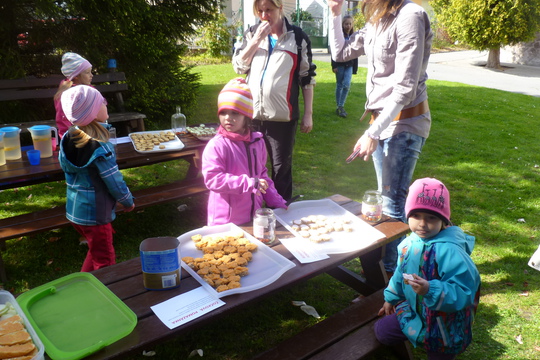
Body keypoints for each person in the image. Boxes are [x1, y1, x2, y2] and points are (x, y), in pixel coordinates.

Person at [328, 0, 433, 275]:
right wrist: (335, 15)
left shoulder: (410, 16)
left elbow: (405, 89)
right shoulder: (377, 18)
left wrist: (371, 133)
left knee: (392, 204)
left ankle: (388, 283)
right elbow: (340, 53)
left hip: (406, 122)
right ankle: (387, 278)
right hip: (380, 121)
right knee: (385, 199)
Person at [375, 177, 481, 360]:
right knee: (381, 332)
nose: (422, 224)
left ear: (444, 221)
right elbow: (401, 273)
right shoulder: (409, 243)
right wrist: (391, 298)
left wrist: (430, 289)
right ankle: (417, 332)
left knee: (440, 353)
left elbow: (465, 291)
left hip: (444, 324)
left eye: (431, 218)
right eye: (416, 216)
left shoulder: (450, 251)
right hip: (415, 311)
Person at [232, 0, 316, 202]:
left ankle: (281, 212)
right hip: (251, 116)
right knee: (250, 165)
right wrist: (255, 41)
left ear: (280, 8)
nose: (264, 15)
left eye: (268, 9)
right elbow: (239, 67)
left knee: (281, 169)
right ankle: (252, 208)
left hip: (282, 118)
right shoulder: (251, 33)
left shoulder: (297, 38)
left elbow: (307, 78)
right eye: (259, 10)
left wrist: (308, 114)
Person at [59, 85, 134, 272]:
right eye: (103, 102)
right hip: (96, 216)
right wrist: (128, 202)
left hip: (75, 211)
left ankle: (82, 284)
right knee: (105, 262)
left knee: (95, 251)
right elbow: (114, 181)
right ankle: (107, 295)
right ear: (91, 112)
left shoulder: (68, 137)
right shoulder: (101, 146)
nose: (106, 104)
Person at [202, 77, 287, 226]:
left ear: (246, 116)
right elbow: (213, 179)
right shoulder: (217, 145)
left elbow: (262, 175)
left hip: (253, 216)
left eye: (235, 113)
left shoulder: (257, 142)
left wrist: (276, 200)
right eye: (223, 113)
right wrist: (248, 183)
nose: (228, 118)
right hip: (225, 221)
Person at [54, 52, 94, 138]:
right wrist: (70, 138)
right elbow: (63, 119)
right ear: (76, 76)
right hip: (75, 137)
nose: (91, 75)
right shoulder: (67, 94)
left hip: (91, 133)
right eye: (87, 72)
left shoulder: (88, 89)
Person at [331, 15, 358, 118]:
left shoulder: (353, 36)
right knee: (339, 85)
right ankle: (339, 106)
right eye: (346, 24)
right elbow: (334, 51)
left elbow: (355, 52)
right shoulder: (340, 36)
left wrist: (355, 68)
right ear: (343, 24)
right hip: (340, 64)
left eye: (350, 24)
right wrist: (334, 65)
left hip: (349, 65)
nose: (348, 26)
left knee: (346, 85)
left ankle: (341, 105)